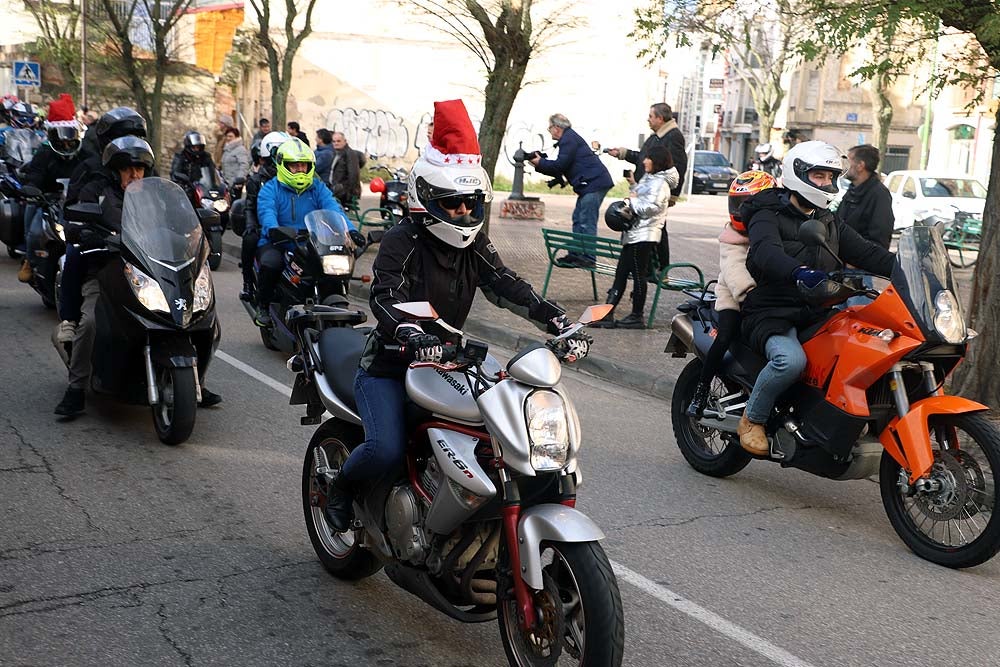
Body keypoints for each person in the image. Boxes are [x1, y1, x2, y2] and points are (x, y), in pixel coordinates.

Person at [322, 99, 591, 532]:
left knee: (501, 436)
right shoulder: (401, 240)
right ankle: (340, 490)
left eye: (470, 202)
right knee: (387, 448)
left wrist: (559, 320)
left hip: (451, 363)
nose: (463, 213)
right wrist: (409, 329)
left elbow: (507, 285)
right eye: (452, 203)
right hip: (389, 366)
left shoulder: (475, 246)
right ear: (425, 197)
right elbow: (385, 295)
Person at [736, 141, 895, 455]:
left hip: (816, 310)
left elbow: (865, 251)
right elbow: (766, 253)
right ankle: (752, 418)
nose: (827, 183)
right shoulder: (767, 212)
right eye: (819, 176)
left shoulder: (828, 219)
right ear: (798, 174)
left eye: (831, 177)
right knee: (789, 361)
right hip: (772, 311)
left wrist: (907, 267)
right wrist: (798, 272)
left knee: (861, 347)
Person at [686, 170, 777, 417]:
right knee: (724, 336)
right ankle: (701, 390)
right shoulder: (732, 236)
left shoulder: (773, 230)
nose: (740, 211)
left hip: (766, 296)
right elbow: (734, 269)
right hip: (735, 296)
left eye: (747, 204)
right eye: (737, 204)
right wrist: (751, 294)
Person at [254, 138, 354, 326]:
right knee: (271, 263)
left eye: (304, 166)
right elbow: (267, 213)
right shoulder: (270, 189)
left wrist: (352, 231)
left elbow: (334, 209)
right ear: (283, 165)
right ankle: (264, 305)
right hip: (279, 241)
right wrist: (275, 230)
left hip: (313, 243)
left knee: (334, 269)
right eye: (295, 166)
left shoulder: (317, 187)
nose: (300, 170)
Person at [592, 145, 678, 329]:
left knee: (639, 276)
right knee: (621, 274)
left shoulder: (661, 183)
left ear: (657, 161)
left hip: (645, 235)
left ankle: (636, 316)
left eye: (648, 158)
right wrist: (632, 185)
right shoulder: (650, 178)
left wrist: (631, 202)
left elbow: (652, 207)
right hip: (634, 232)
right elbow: (640, 196)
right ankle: (608, 313)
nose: (644, 161)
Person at [608, 102, 686, 268]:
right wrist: (623, 153)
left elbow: (678, 165)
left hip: (656, 192)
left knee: (657, 229)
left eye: (651, 116)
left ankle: (658, 269)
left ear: (660, 118)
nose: (648, 120)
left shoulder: (673, 137)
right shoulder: (655, 136)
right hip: (645, 189)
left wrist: (673, 195)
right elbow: (643, 158)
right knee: (645, 229)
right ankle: (644, 268)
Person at [530, 113, 613, 267]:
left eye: (550, 128)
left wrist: (540, 162)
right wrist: (541, 163)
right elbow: (563, 166)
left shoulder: (568, 139)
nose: (549, 131)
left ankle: (588, 258)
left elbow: (559, 166)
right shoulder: (569, 138)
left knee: (586, 220)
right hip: (590, 183)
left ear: (556, 128)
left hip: (594, 183)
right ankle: (576, 254)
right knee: (578, 218)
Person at [18, 97, 85, 282]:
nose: (65, 142)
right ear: (52, 133)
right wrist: (32, 188)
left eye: (69, 135)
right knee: (33, 230)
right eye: (60, 136)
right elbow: (35, 174)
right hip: (48, 201)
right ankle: (29, 260)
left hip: (76, 201)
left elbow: (94, 171)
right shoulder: (44, 153)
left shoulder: (85, 153)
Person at [238, 131, 288, 301]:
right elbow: (250, 207)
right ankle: (247, 283)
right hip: (263, 226)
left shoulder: (292, 177)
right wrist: (251, 226)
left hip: (289, 227)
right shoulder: (256, 180)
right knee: (250, 240)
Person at [66, 107, 148, 206]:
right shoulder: (89, 169)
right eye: (122, 139)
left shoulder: (147, 170)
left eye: (136, 137)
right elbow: (72, 208)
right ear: (107, 139)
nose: (134, 174)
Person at [837, 144, 893, 250]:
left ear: (860, 166)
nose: (844, 166)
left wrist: (855, 261)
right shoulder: (852, 190)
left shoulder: (879, 194)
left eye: (848, 161)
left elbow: (880, 238)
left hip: (859, 264)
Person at [170, 131, 217, 198]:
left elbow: (211, 170)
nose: (196, 149)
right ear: (188, 146)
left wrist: (216, 184)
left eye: (198, 147)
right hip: (186, 187)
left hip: (203, 187)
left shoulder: (206, 156)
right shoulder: (180, 156)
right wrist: (183, 179)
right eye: (194, 147)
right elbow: (175, 172)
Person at [329, 131, 363, 208]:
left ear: (345, 141)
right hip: (337, 189)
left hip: (344, 193)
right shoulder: (336, 153)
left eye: (338, 141)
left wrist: (349, 193)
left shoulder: (350, 154)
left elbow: (354, 174)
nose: (336, 143)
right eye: (334, 141)